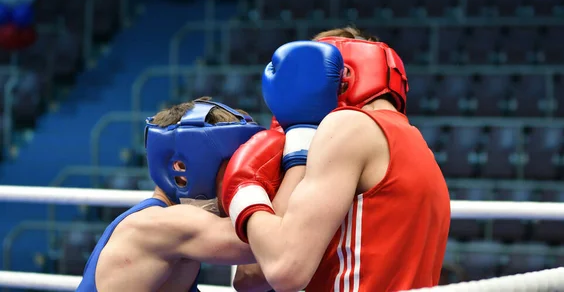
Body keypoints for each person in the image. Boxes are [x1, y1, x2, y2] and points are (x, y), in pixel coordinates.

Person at [224, 27, 451, 292]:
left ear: (342, 77)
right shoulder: (418, 144)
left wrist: (244, 192)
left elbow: (275, 271)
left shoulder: (347, 128)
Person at [77, 97, 273, 292]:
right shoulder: (160, 224)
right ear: (182, 169)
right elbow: (270, 241)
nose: (242, 178)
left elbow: (250, 277)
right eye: (232, 166)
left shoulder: (175, 228)